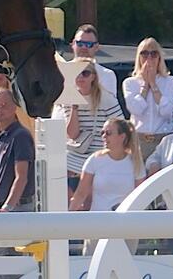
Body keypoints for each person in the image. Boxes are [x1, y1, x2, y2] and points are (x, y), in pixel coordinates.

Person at [52, 60, 124, 191]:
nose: (80, 77)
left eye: (85, 73)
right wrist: (74, 108)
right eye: (77, 74)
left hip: (100, 151)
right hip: (77, 150)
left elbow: (121, 127)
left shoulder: (107, 99)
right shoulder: (68, 98)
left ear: (93, 76)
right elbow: (72, 134)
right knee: (55, 167)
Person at [123, 37, 173, 161]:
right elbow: (136, 109)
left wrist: (153, 84)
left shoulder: (171, 81)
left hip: (163, 138)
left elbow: (166, 111)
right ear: (139, 57)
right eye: (144, 54)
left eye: (153, 54)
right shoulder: (130, 83)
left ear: (159, 57)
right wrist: (145, 85)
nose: (149, 58)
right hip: (138, 139)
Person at [72, 118, 145, 212]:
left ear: (122, 136)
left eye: (108, 133)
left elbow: (139, 197)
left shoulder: (136, 163)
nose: (104, 136)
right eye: (102, 133)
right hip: (98, 219)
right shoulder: (95, 159)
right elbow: (81, 193)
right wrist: (67, 218)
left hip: (125, 221)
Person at [0, 88, 34, 212]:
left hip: (18, 208)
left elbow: (21, 177)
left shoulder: (20, 135)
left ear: (15, 107)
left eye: (4, 105)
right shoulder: (3, 136)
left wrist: (7, 208)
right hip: (7, 207)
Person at [70, 24, 117, 97]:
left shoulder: (107, 75)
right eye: (80, 43)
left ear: (97, 47)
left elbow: (107, 104)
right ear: (73, 44)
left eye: (89, 44)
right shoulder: (60, 71)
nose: (84, 47)